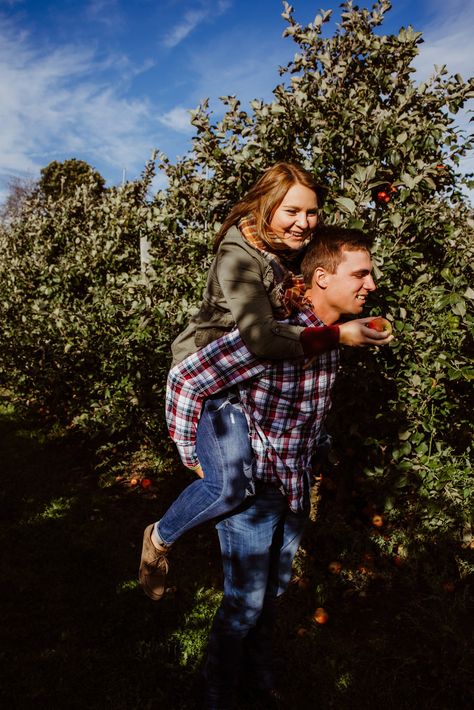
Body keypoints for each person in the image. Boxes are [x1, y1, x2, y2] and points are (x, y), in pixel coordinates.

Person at [138, 164, 390, 601]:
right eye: (292, 211)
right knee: (227, 484)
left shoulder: (292, 244)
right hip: (216, 373)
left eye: (312, 213)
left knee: (256, 474)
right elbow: (259, 339)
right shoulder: (239, 254)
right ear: (265, 206)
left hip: (254, 370)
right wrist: (336, 334)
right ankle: (158, 540)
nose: (304, 223)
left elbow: (329, 266)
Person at [163, 226, 391, 708]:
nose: (371, 284)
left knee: (273, 595)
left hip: (293, 485)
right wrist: (194, 457)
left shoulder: (335, 340)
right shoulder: (273, 335)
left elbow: (305, 411)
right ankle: (216, 694)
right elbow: (188, 378)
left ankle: (259, 683)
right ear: (323, 277)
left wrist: (314, 456)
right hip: (253, 490)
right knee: (244, 604)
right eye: (362, 273)